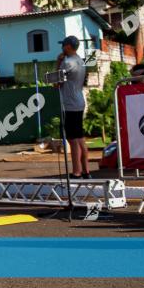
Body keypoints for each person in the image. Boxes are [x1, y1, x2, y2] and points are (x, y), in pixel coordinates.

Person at [56, 36, 90, 180]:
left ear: (68, 46)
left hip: (69, 103)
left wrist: (58, 62)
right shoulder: (80, 61)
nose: (62, 47)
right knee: (80, 138)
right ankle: (86, 171)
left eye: (63, 45)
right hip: (79, 101)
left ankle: (76, 171)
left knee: (72, 139)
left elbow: (56, 82)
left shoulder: (67, 62)